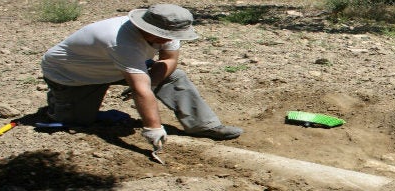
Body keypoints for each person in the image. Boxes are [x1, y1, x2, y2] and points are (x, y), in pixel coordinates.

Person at [40, 4, 243, 151]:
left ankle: (204, 125)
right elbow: (140, 89)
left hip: (118, 65)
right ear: (146, 28)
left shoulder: (170, 31)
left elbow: (170, 59)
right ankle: (58, 103)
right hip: (74, 74)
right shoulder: (120, 41)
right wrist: (153, 128)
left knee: (174, 77)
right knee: (77, 122)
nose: (168, 40)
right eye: (162, 35)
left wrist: (152, 81)